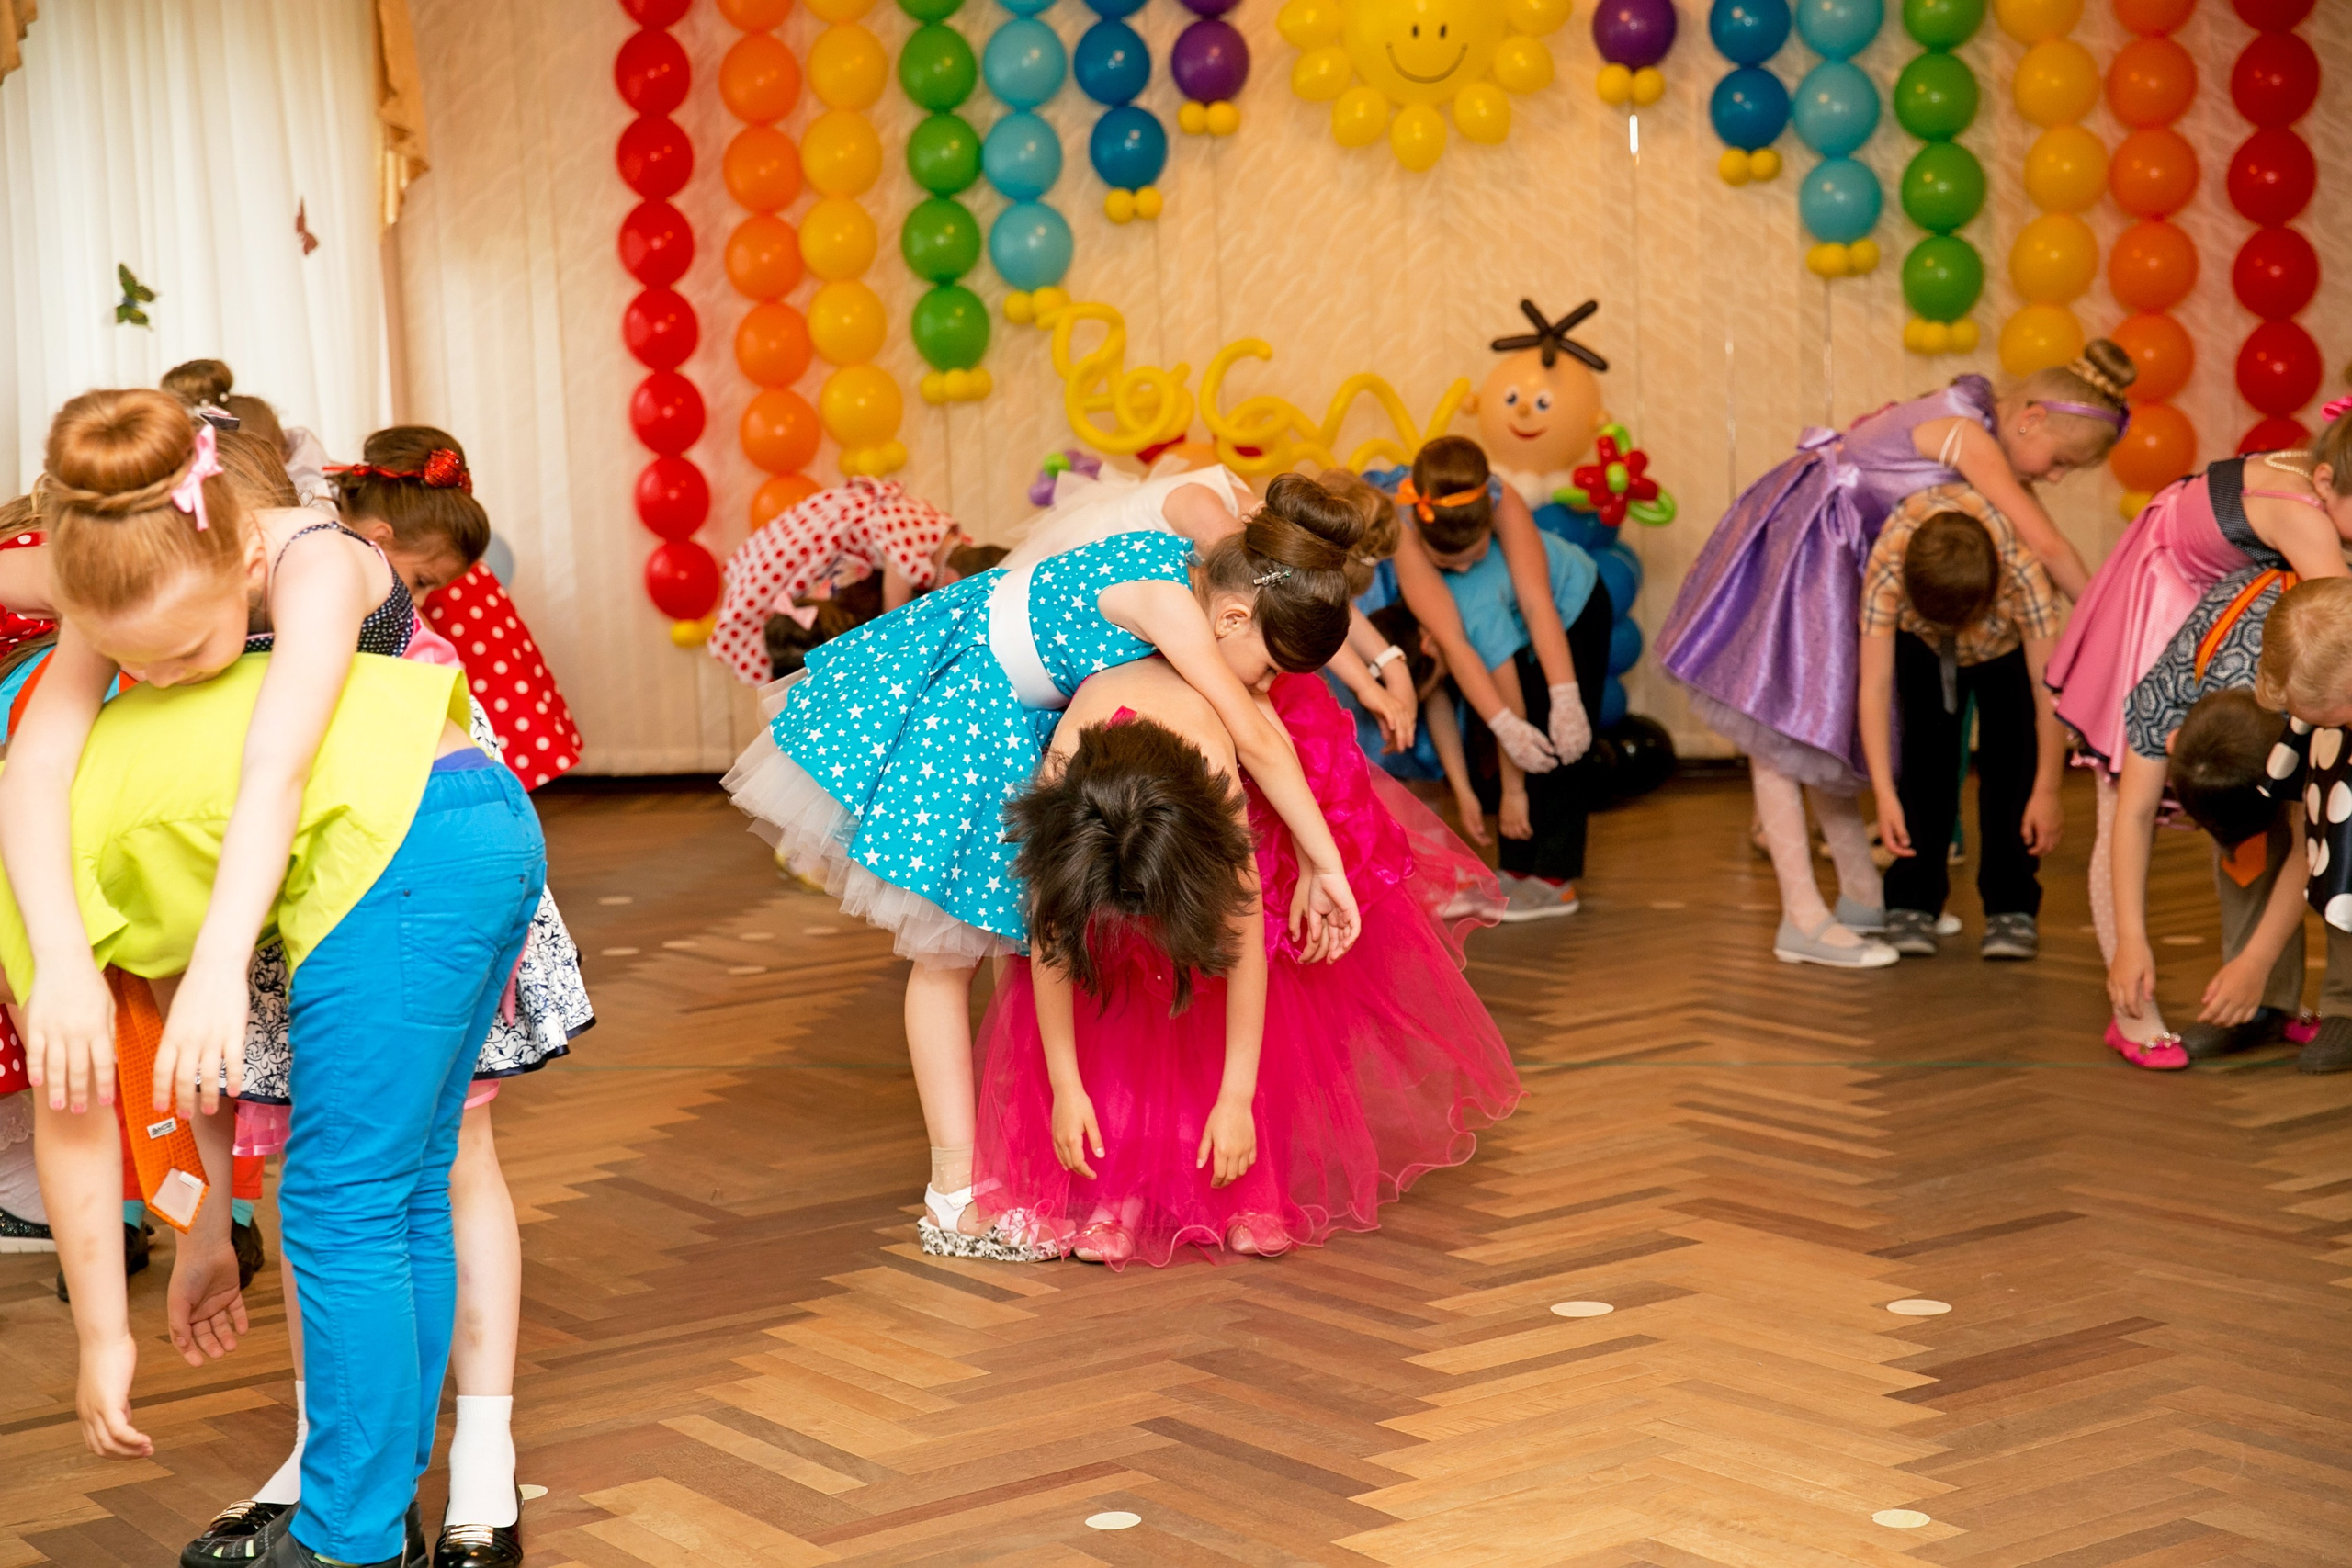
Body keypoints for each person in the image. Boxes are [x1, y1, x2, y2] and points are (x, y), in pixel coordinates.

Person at [0, 389, 541, 1568]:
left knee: (345, 1201)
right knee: (384, 1194)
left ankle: (349, 1536)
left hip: (384, 846)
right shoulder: (132, 565)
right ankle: (367, 1500)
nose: (170, 675)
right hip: (339, 870)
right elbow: (36, 760)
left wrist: (205, 980)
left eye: (189, 648)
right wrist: (64, 978)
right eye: (134, 659)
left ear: (238, 549)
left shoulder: (315, 557)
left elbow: (275, 767)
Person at [725, 475, 1370, 1258]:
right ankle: (953, 1184)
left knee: (1016, 942)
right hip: (969, 712)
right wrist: (1325, 858)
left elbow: (1256, 721)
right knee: (946, 954)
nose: (1264, 689)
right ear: (1234, 616)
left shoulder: (1193, 582)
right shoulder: (1170, 606)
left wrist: (1311, 846)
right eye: (1267, 666)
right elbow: (1258, 735)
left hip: (1008, 711)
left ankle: (1017, 1154)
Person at [973, 645, 1520, 1265]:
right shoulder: (1060, 802)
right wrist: (1067, 1087)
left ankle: (1244, 1186)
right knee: (1117, 1011)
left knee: (1206, 1003)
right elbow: (1053, 946)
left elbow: (1245, 951)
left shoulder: (1214, 795)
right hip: (1104, 826)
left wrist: (1235, 1099)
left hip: (1195, 805)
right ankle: (1116, 1190)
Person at [1657, 347, 2134, 968]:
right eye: (2062, 461)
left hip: (1840, 551)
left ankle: (1861, 896)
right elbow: (2045, 541)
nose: (2056, 476)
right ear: (2031, 420)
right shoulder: (1967, 433)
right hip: (1813, 545)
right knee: (1777, 726)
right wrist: (2118, 630)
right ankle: (1800, 915)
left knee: (1818, 723)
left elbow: (2034, 536)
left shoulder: (1981, 431)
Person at [2054, 402, 2352, 1054]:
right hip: (2247, 639)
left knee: (2341, 826)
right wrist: (2129, 937)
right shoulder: (2167, 694)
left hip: (2333, 660)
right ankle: (2264, 1005)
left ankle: (2342, 1004)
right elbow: (2132, 815)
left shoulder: (2305, 706)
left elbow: (2310, 841)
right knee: (2247, 848)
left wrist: (2252, 958)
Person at [1855, 488, 2065, 960]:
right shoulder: (1889, 562)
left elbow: (2047, 689)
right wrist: (1883, 795)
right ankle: (1912, 902)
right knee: (1925, 763)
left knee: (2013, 768)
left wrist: (2048, 789)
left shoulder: (2021, 567)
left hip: (2005, 652)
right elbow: (1873, 685)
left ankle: (2011, 906)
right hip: (1923, 651)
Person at [709, 477, 979, 686]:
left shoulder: (936, 527)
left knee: (768, 599)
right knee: (759, 601)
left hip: (820, 524)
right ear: (954, 577)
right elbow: (891, 628)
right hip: (807, 540)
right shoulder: (906, 546)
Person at [2252, 575, 2352, 1074]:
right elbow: (2306, 852)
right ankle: (2345, 1006)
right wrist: (2254, 961)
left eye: (2338, 718)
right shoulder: (2318, 717)